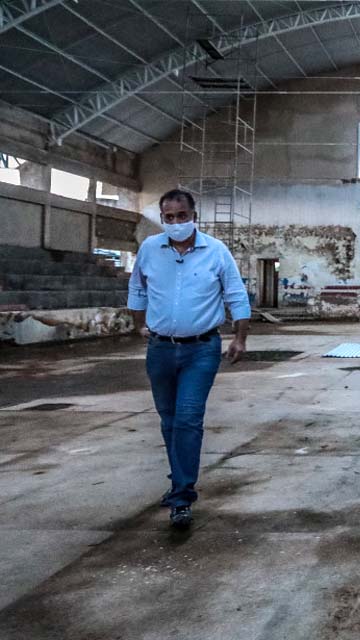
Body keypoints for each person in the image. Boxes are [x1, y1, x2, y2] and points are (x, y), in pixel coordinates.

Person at [127, 189, 250, 529]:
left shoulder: (216, 251)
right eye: (169, 218)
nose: (176, 223)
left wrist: (240, 338)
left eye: (182, 216)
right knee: (169, 420)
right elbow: (137, 289)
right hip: (161, 350)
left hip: (202, 349)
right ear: (162, 219)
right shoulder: (150, 250)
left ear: (193, 215)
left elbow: (236, 295)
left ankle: (182, 496)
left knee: (188, 418)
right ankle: (179, 477)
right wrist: (140, 325)